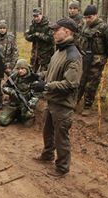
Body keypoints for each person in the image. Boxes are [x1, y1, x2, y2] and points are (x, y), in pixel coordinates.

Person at [32, 18, 82, 177]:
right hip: (52, 101)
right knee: (47, 132)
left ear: (67, 31)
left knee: (61, 139)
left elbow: (70, 84)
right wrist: (38, 76)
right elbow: (52, 72)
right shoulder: (59, 51)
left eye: (56, 30)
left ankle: (62, 168)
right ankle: (47, 155)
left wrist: (46, 86)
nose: (53, 33)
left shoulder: (73, 55)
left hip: (63, 105)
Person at [78, 5, 108, 116]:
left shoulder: (104, 28)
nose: (87, 19)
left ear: (96, 15)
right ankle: (75, 101)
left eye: (90, 17)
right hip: (84, 57)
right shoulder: (84, 26)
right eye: (85, 17)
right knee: (81, 81)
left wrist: (103, 57)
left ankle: (87, 106)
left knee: (91, 83)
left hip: (97, 59)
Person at [0, 59, 39, 126]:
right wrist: (12, 91)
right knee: (2, 121)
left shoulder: (33, 78)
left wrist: (30, 103)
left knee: (27, 124)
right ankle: (15, 114)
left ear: (27, 68)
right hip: (13, 104)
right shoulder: (14, 76)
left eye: (22, 68)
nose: (20, 71)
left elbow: (36, 95)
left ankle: (22, 116)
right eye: (18, 69)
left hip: (25, 105)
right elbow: (4, 87)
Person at [0, 20, 19, 110]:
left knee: (13, 82)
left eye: (4, 28)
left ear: (6, 29)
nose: (2, 30)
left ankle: (13, 100)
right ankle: (0, 102)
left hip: (8, 65)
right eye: (0, 28)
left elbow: (15, 52)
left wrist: (11, 65)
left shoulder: (11, 38)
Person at [24, 7, 54, 72]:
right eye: (34, 16)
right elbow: (26, 36)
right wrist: (34, 35)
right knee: (32, 72)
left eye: (37, 16)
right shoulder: (32, 25)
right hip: (35, 55)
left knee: (44, 74)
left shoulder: (49, 25)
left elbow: (51, 39)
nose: (36, 18)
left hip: (46, 55)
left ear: (41, 14)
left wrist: (39, 35)